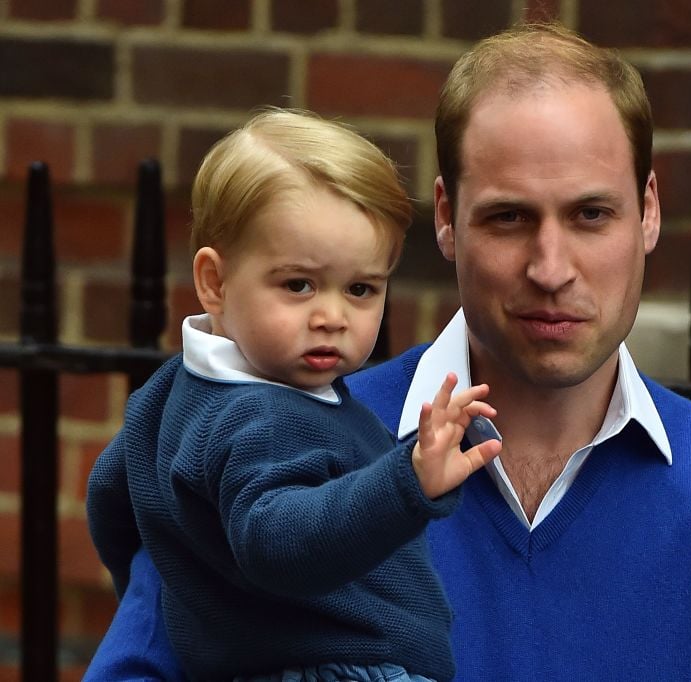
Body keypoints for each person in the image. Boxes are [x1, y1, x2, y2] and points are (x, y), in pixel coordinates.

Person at [85, 24, 691, 681]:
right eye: (509, 217)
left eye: (591, 214)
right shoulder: (278, 440)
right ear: (446, 219)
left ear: (649, 211)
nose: (551, 267)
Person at [86, 109, 502, 682]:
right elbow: (280, 541)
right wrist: (407, 484)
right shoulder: (260, 415)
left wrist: (185, 579)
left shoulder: (174, 389)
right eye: (298, 284)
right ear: (215, 281)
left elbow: (111, 491)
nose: (330, 316)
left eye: (360, 289)